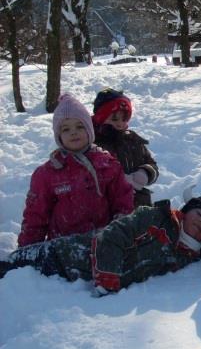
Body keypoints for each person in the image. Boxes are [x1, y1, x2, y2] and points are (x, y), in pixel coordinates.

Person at [1, 193, 201, 295]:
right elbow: (111, 236)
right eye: (200, 214)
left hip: (68, 278)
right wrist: (107, 279)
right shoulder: (155, 218)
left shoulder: (185, 255)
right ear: (185, 212)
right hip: (62, 255)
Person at [18, 93, 135, 247]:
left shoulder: (108, 165)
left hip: (102, 246)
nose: (73, 132)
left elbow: (123, 202)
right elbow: (36, 217)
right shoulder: (47, 174)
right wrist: (26, 251)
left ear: (90, 130)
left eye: (80, 126)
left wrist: (119, 234)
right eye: (66, 129)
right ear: (58, 135)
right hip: (62, 249)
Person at [92, 88, 159, 207]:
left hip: (138, 204)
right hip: (108, 208)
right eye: (114, 119)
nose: (120, 123)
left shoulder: (132, 140)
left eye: (124, 119)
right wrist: (116, 181)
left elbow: (151, 164)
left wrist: (146, 173)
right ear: (100, 117)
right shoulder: (93, 144)